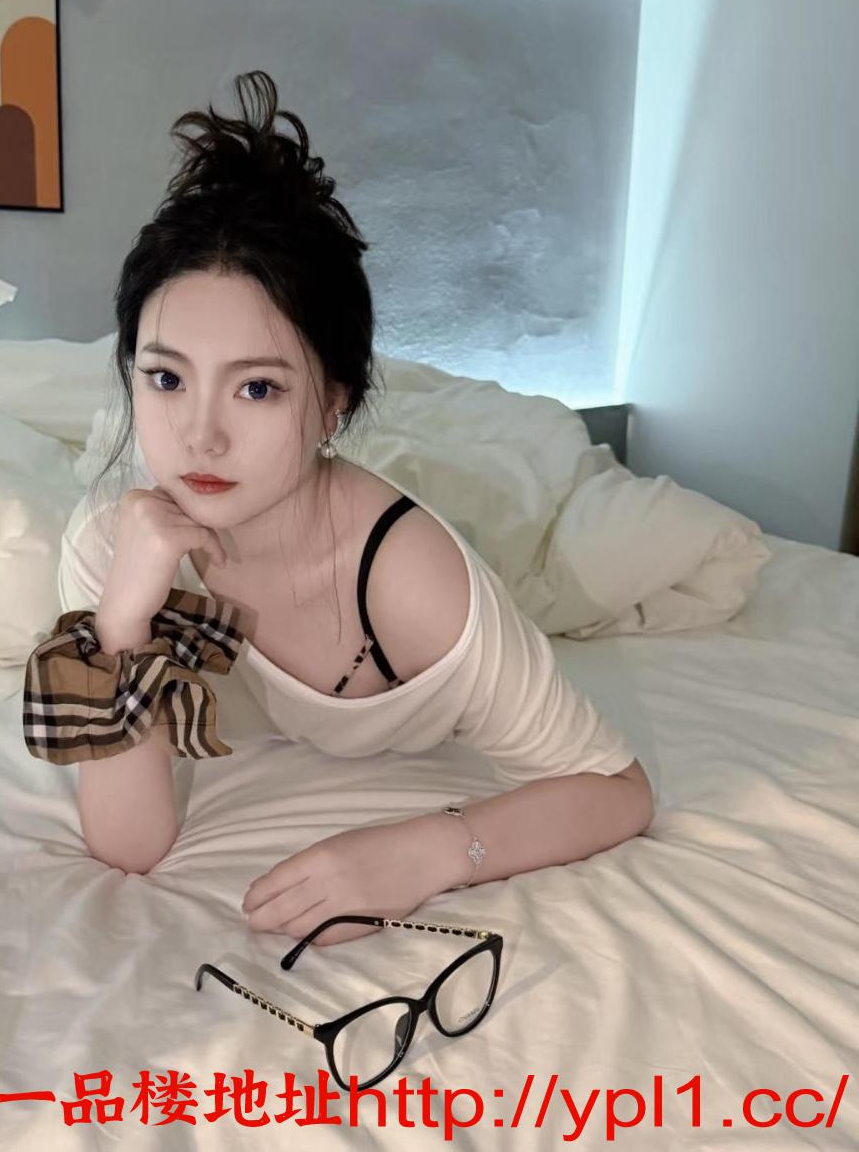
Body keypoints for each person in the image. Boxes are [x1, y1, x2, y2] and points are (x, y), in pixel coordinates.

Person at [52, 69, 653, 948]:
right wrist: (120, 626)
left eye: (257, 387)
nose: (200, 437)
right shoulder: (114, 543)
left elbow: (619, 790)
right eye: (167, 378)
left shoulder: (411, 579)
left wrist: (425, 850)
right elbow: (130, 845)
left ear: (334, 403)